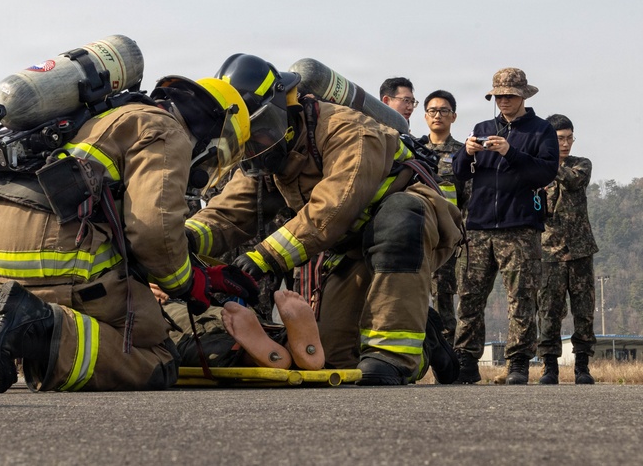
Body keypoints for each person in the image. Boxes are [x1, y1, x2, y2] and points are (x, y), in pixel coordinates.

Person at [0, 75, 258, 393]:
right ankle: (38, 330)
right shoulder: (165, 128)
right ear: (214, 137)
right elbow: (151, 231)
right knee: (156, 355)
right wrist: (187, 283)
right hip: (45, 249)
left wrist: (198, 268)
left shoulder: (106, 114)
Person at [187, 54, 463, 386]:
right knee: (331, 358)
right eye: (244, 141)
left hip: (414, 226)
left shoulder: (348, 130)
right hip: (352, 245)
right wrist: (182, 240)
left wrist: (263, 257)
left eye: (257, 133)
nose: (251, 148)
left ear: (280, 110)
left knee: (398, 214)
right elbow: (227, 213)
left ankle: (395, 357)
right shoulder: (269, 156)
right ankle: (427, 335)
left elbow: (334, 206)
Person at [452, 68, 559, 385]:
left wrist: (510, 152)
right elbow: (461, 172)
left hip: (520, 227)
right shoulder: (483, 127)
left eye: (509, 96)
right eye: (498, 96)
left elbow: (545, 173)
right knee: (470, 297)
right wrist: (467, 152)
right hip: (480, 226)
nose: (503, 101)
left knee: (521, 299)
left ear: (523, 96)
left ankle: (518, 364)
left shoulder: (541, 131)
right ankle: (467, 362)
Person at [537, 115, 597, 385]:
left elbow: (573, 181)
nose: (565, 143)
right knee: (549, 311)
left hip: (580, 251)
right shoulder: (536, 169)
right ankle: (549, 367)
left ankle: (582, 367)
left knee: (584, 312)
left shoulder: (580, 164)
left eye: (569, 137)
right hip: (549, 252)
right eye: (559, 138)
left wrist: (549, 162)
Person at [159, 286, 325, 371]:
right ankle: (292, 345)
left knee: (190, 342)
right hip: (176, 306)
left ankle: (257, 356)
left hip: (166, 311)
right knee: (237, 323)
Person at [417, 90, 469, 343]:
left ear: (454, 116)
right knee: (414, 294)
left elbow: (468, 197)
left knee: (445, 297)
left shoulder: (464, 153)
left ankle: (448, 357)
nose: (438, 116)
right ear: (425, 116)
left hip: (449, 238)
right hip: (420, 234)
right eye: (433, 111)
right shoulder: (413, 150)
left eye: (444, 111)